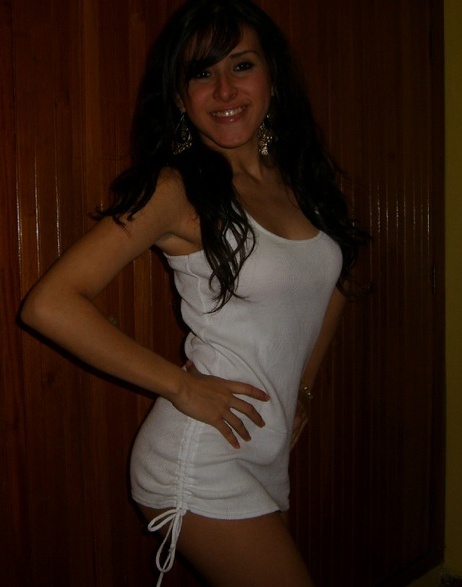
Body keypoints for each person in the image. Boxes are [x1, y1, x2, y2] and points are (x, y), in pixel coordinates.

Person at [21, 0, 368, 585]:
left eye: (242, 65)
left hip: (265, 448)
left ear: (273, 77)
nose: (224, 89)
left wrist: (304, 387)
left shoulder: (299, 180)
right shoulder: (176, 190)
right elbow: (50, 304)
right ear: (181, 98)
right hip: (199, 456)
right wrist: (181, 385)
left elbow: (336, 278)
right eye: (202, 72)